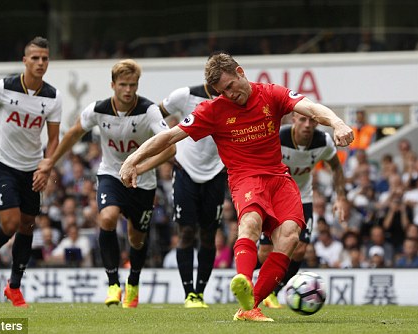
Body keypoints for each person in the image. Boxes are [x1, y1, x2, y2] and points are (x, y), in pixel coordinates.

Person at [119, 52, 354, 322]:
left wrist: (337, 123)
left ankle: (249, 304)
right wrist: (132, 160)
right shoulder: (213, 109)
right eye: (222, 91)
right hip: (245, 178)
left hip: (279, 177)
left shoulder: (271, 94)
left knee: (291, 238)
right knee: (250, 222)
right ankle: (242, 279)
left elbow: (311, 108)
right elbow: (169, 136)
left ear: (240, 72)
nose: (229, 94)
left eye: (230, 86)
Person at [36, 59, 175, 308]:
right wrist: (50, 161)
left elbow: (170, 148)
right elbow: (73, 133)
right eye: (123, 84)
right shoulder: (98, 110)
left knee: (136, 239)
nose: (128, 90)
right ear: (112, 85)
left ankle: (133, 283)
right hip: (111, 174)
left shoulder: (149, 110)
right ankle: (113, 285)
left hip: (142, 181)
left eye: (133, 84)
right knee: (107, 218)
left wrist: (138, 167)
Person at [0, 37, 62, 308]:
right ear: (25, 61)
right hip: (2, 164)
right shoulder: (3, 87)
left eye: (45, 58)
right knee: (10, 224)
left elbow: (54, 139)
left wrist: (46, 167)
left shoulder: (53, 96)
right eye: (35, 58)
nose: (40, 63)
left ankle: (14, 288)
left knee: (28, 225)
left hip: (32, 167)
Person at [257, 112, 346, 308]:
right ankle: (247, 276)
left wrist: (340, 197)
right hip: (274, 196)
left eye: (312, 120)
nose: (307, 124)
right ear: (294, 120)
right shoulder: (278, 137)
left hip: (302, 197)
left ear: (317, 122)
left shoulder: (323, 142)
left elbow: (336, 168)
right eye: (303, 119)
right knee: (265, 251)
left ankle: (273, 292)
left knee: (299, 250)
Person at [158, 82, 226, 308]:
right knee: (186, 232)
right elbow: (153, 115)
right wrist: (167, 149)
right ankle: (189, 293)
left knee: (208, 234)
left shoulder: (233, 98)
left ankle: (200, 293)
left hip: (216, 172)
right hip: (185, 169)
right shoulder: (185, 95)